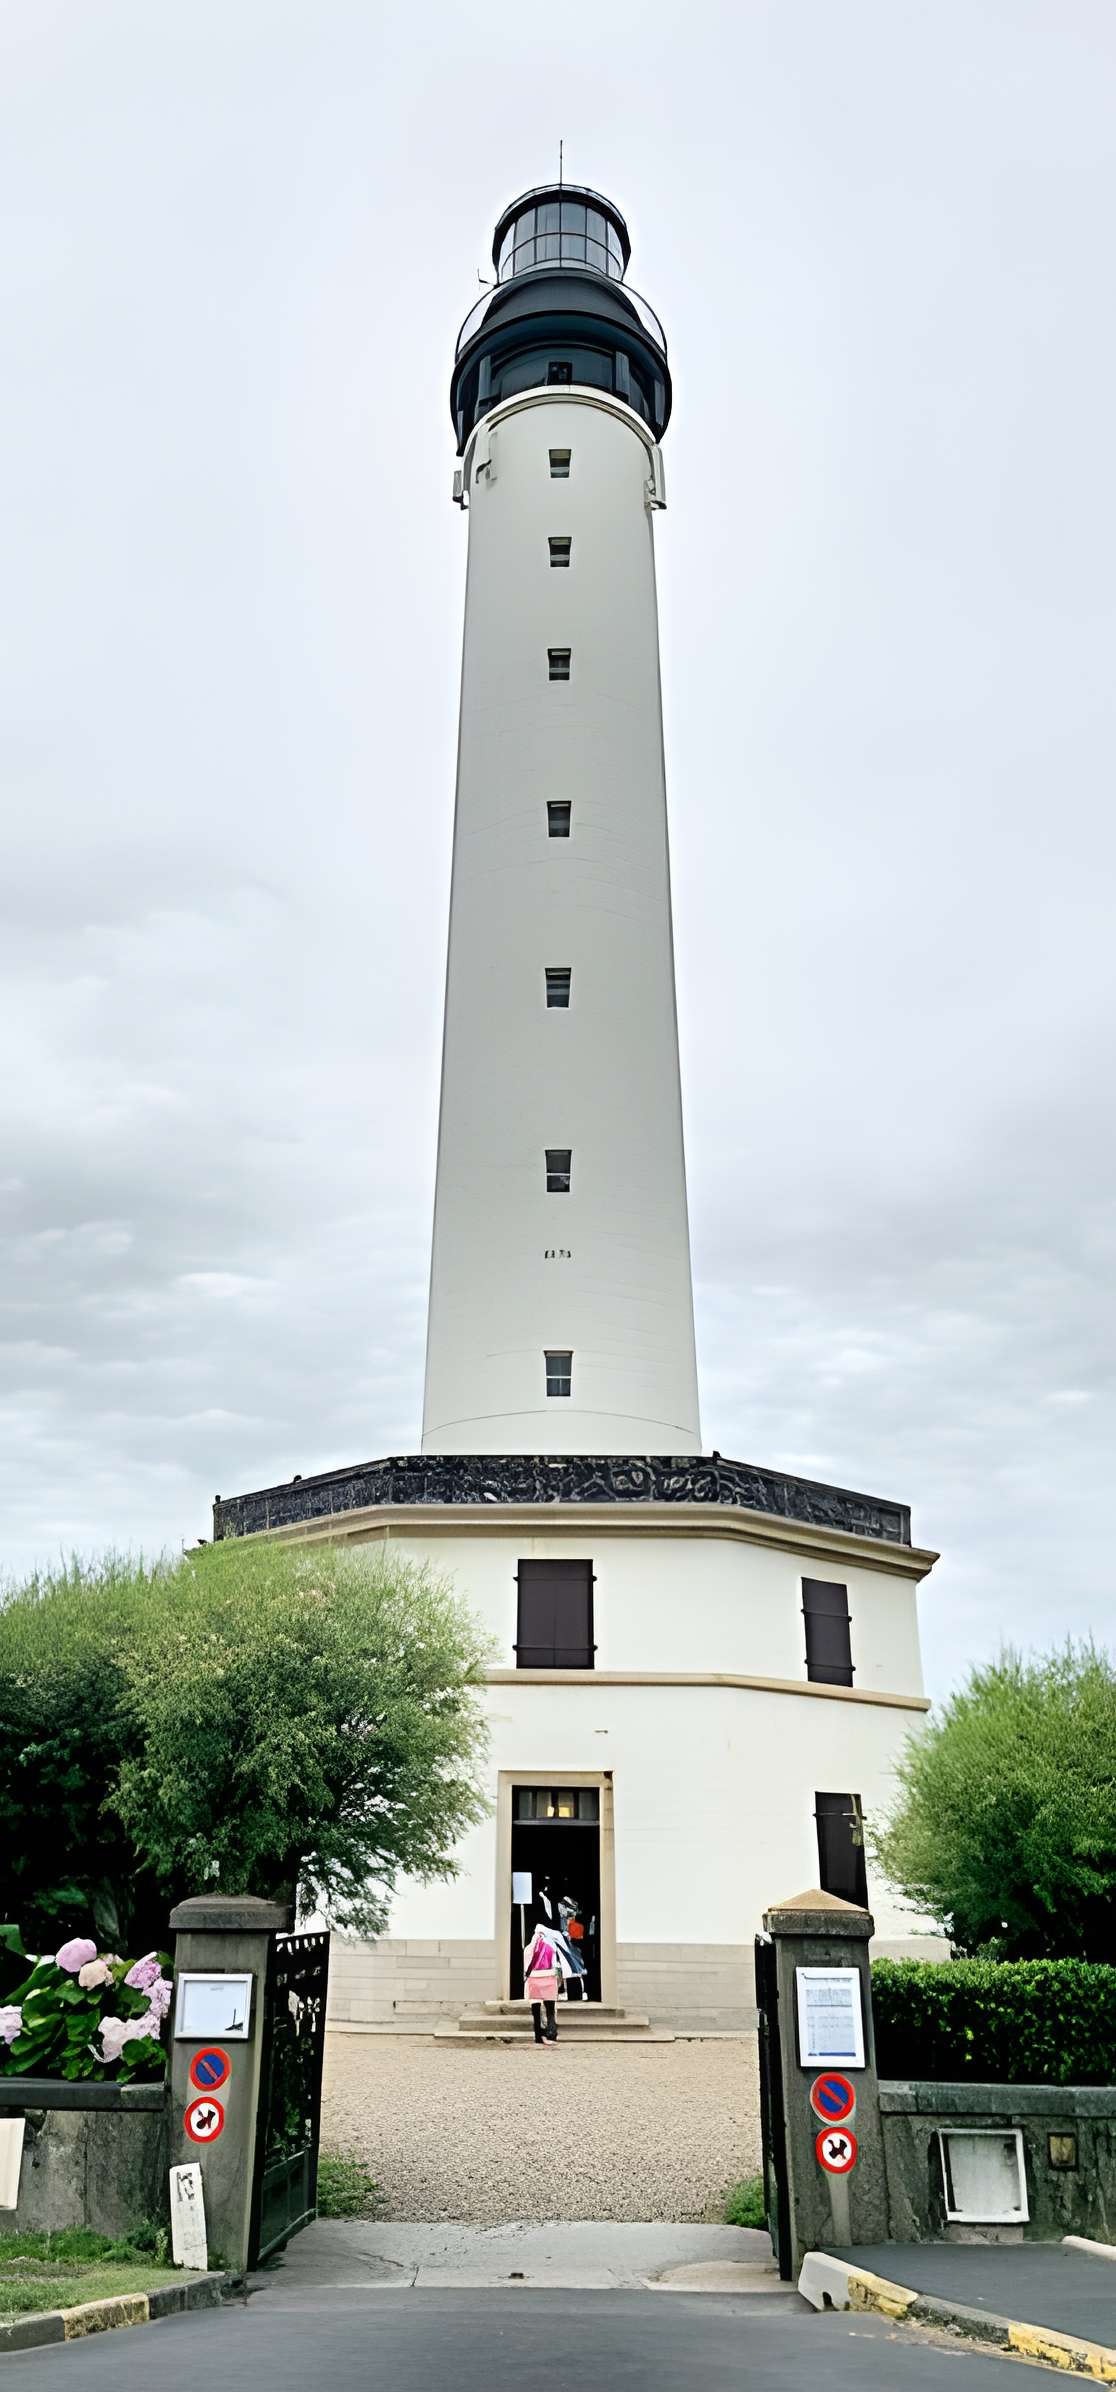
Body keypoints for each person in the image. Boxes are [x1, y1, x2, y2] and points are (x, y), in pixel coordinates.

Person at [523, 1921, 559, 2044]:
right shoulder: (551, 1948)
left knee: (536, 2011)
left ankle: (538, 2035)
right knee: (550, 2010)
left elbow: (525, 1968)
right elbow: (555, 1966)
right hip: (549, 1979)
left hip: (534, 1981)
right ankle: (552, 2033)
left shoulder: (528, 1949)